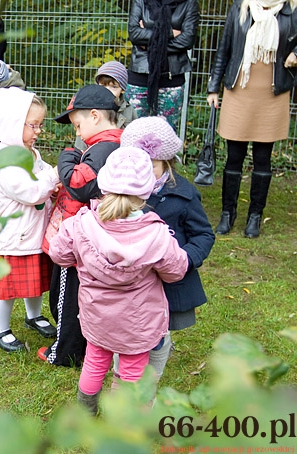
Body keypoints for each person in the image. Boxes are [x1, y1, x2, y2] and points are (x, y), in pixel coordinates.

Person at [48, 146, 189, 415]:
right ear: (146, 190)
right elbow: (176, 270)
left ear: (104, 182)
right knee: (132, 370)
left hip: (96, 316)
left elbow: (58, 253)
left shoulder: (81, 224)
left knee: (94, 361)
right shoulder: (156, 234)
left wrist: (81, 258)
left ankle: (85, 413)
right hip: (137, 324)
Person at [120, 116, 215, 382]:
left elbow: (204, 235)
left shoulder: (184, 195)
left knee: (158, 332)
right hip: (130, 279)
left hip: (166, 281)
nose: (143, 170)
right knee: (127, 326)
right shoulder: (121, 191)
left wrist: (185, 259)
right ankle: (125, 372)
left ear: (166, 161)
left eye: (150, 164)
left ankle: (150, 378)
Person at [38, 85, 123, 368]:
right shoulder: (111, 146)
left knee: (66, 299)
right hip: (90, 239)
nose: (76, 133)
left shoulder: (102, 149)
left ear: (95, 116)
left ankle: (64, 352)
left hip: (77, 243)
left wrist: (66, 159)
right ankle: (82, 347)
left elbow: (80, 185)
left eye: (78, 124)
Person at [207, 0, 297, 238]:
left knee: (262, 159)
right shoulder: (241, 8)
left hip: (273, 93)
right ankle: (228, 214)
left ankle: (254, 217)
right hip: (239, 90)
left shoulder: (291, 10)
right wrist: (213, 88)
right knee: (234, 156)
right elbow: (224, 49)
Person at [0, 87, 61, 352]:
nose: (38, 131)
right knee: (6, 288)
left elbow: (39, 178)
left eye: (40, 125)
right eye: (34, 125)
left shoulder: (30, 152)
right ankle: (0, 329)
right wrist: (53, 177)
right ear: (12, 124)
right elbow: (30, 190)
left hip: (32, 232)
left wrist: (48, 183)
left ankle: (33, 316)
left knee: (35, 282)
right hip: (13, 236)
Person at [125, 0, 200, 133]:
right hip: (139, 77)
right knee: (134, 133)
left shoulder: (189, 3)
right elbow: (134, 33)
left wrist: (151, 44)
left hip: (171, 80)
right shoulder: (141, 1)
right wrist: (171, 33)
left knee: (165, 136)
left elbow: (187, 39)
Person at [74, 61, 137, 151]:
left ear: (122, 89)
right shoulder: (90, 110)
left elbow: (136, 138)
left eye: (113, 87)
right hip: (95, 156)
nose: (107, 91)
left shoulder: (129, 111)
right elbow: (81, 141)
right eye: (103, 86)